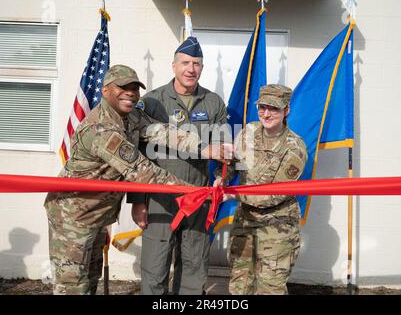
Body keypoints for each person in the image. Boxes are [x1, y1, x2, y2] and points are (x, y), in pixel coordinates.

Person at [44, 64, 231, 295]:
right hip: (73, 217)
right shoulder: (101, 129)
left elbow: (162, 132)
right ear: (105, 90)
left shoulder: (131, 116)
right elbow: (144, 172)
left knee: (91, 279)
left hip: (99, 213)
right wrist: (195, 191)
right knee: (73, 287)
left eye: (135, 88)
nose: (130, 93)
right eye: (123, 88)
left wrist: (204, 148)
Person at [128, 37, 231, 295]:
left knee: (194, 265)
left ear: (202, 68)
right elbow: (137, 154)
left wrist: (221, 177)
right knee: (155, 266)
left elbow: (223, 147)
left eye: (196, 63)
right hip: (159, 199)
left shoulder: (213, 102)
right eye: (185, 62)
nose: (191, 68)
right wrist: (138, 201)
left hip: (197, 196)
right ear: (173, 66)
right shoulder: (152, 101)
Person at [214, 84, 307, 295]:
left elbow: (275, 194)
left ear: (286, 110)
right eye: (262, 107)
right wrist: (222, 178)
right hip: (245, 223)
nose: (266, 113)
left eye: (274, 108)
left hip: (277, 228)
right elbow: (234, 163)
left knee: (270, 289)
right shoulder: (249, 131)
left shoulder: (295, 148)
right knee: (239, 285)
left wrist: (232, 194)